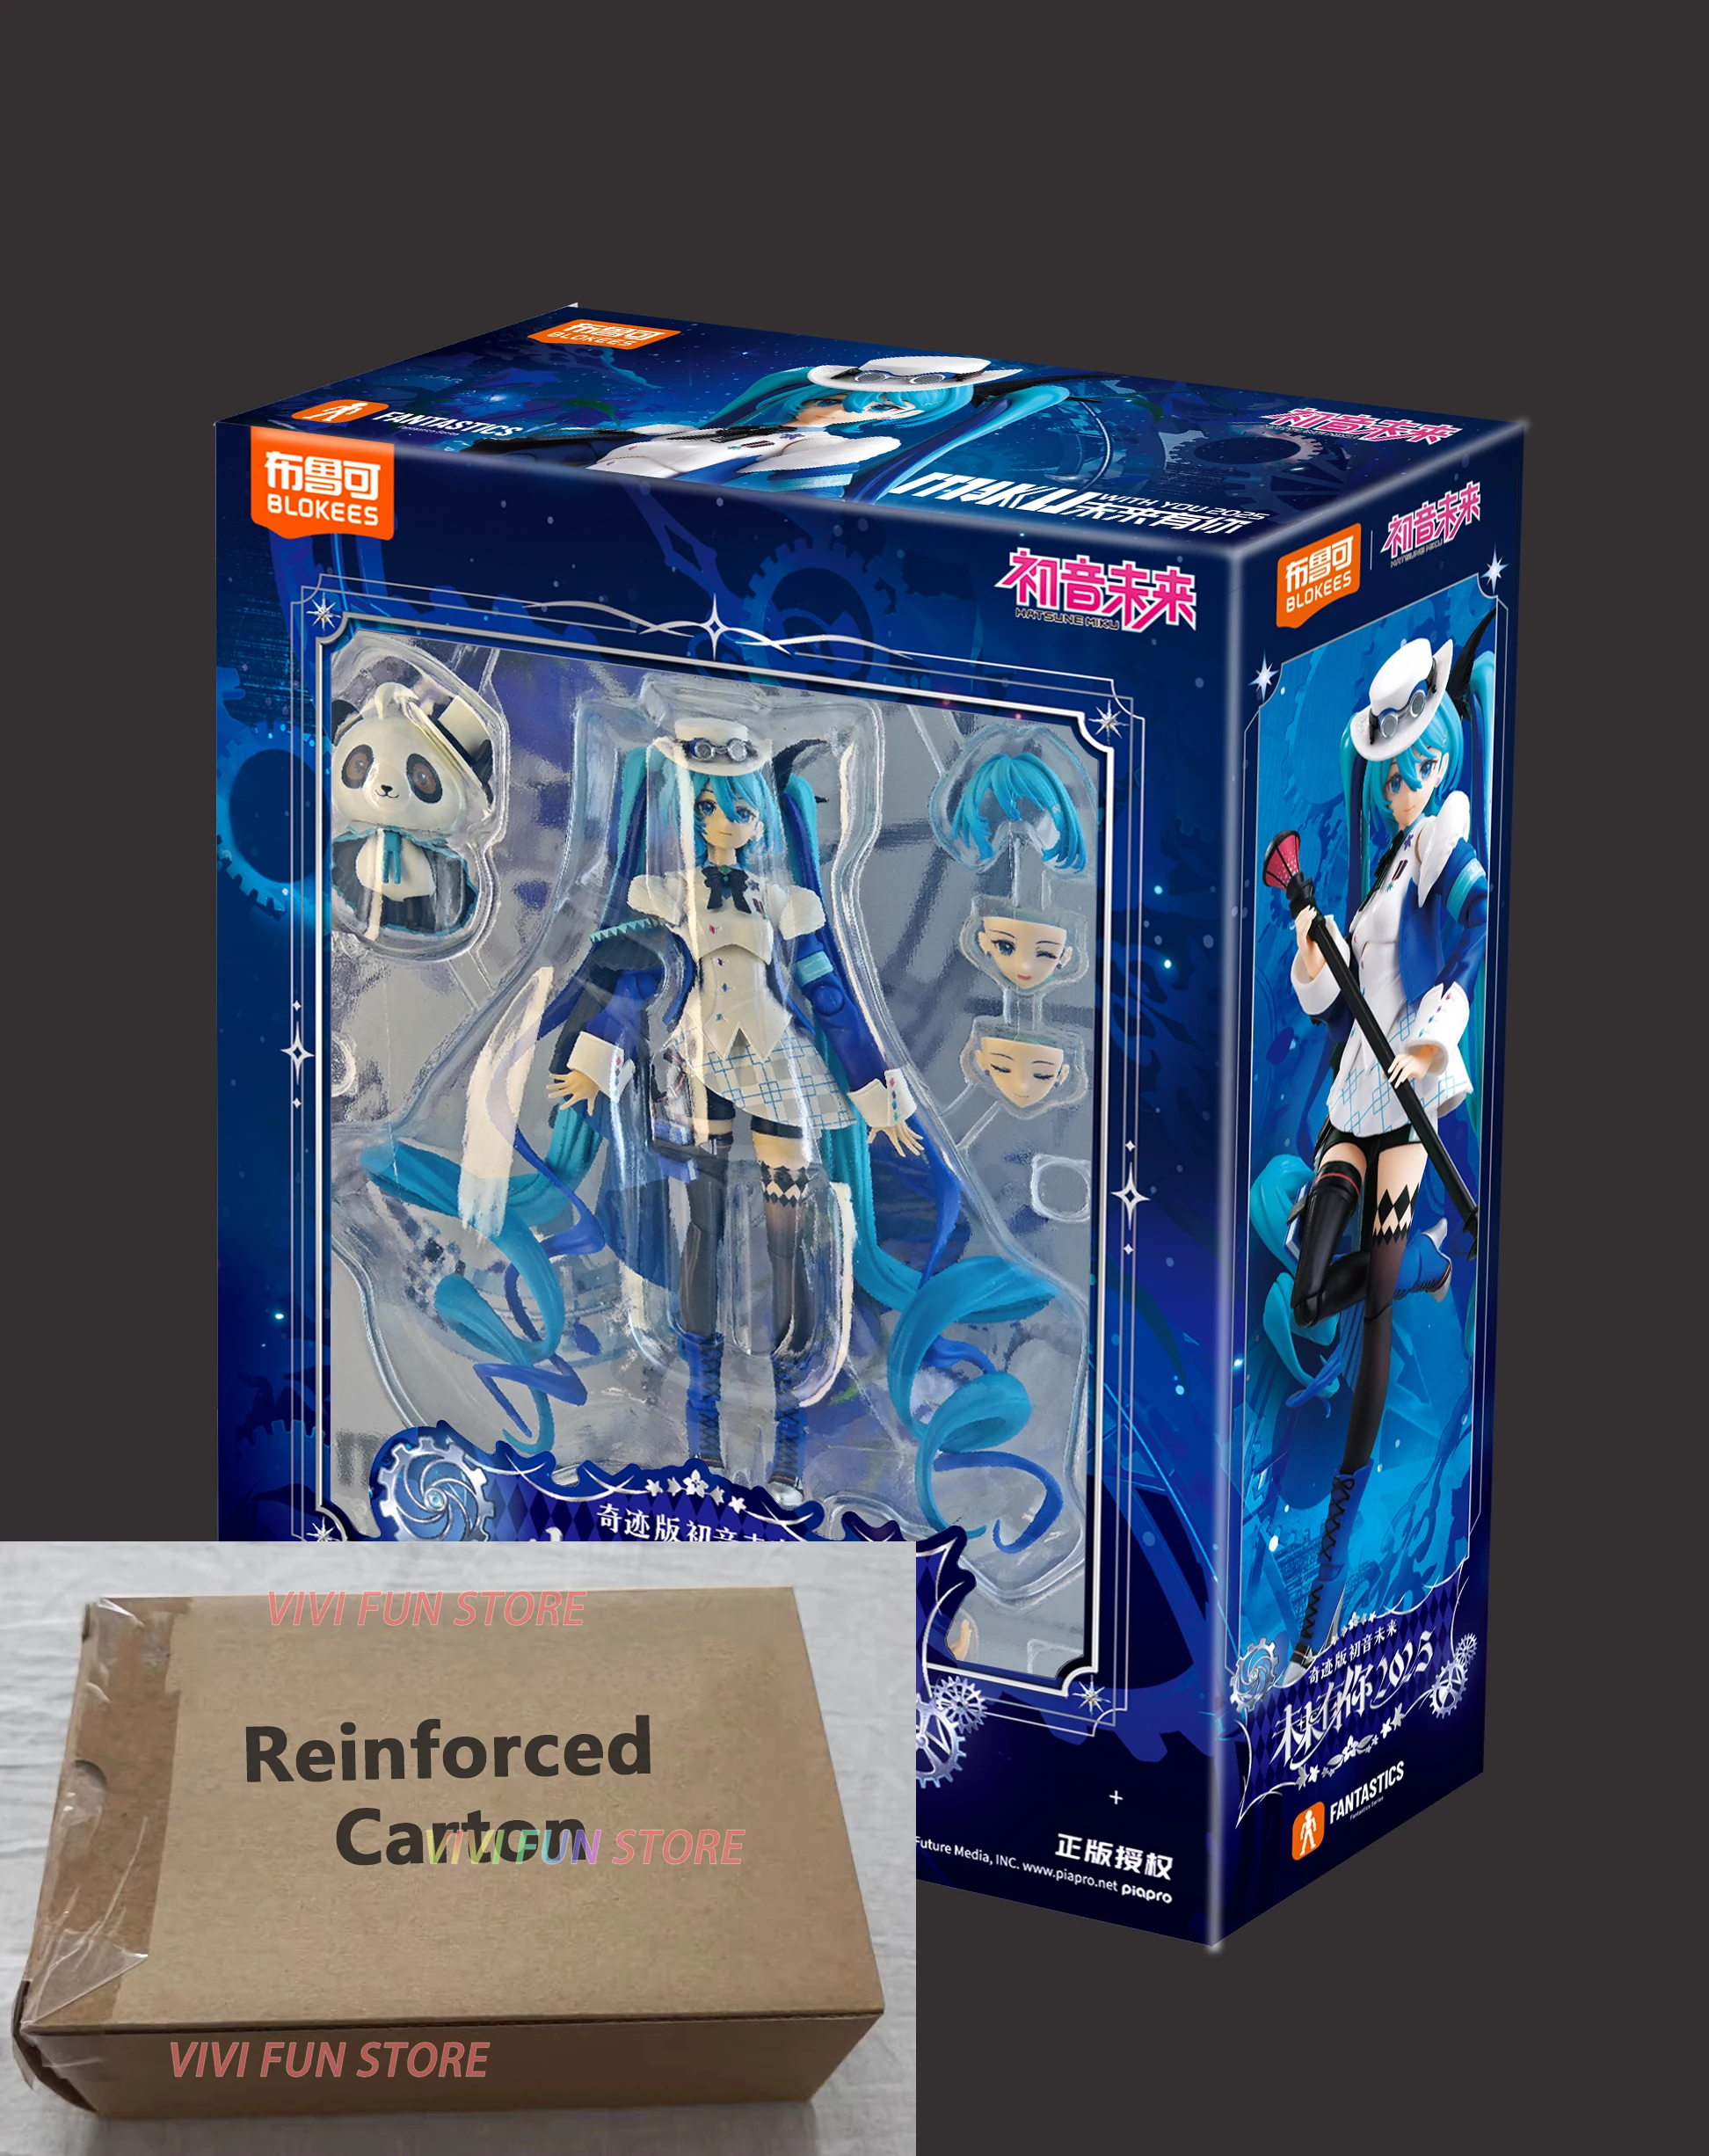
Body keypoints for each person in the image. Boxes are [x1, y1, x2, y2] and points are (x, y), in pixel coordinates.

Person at [1278, 626, 1490, 1682]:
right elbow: (1331, 1002)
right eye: (1392, 777)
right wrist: (1314, 948)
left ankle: (1321, 1604)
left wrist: (1437, 1030)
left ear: (1441, 762)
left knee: (1371, 1337)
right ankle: (1425, 1267)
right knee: (1312, 1290)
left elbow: (1477, 926)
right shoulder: (1378, 877)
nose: (1404, 789)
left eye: (1418, 770)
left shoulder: (1445, 847)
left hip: (1409, 1098)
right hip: (1355, 1093)